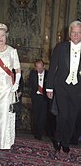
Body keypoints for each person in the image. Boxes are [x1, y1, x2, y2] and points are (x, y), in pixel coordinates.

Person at [46, 20, 81, 154]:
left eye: (79, 33)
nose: (76, 35)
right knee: (63, 115)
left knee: (72, 117)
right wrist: (49, 87)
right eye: (74, 33)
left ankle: (66, 142)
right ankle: (58, 139)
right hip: (61, 87)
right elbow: (53, 67)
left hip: (78, 90)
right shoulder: (60, 47)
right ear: (69, 33)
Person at [29, 59, 48, 140]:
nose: (39, 70)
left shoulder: (48, 74)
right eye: (37, 68)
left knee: (43, 116)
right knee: (36, 116)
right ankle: (36, 132)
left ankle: (40, 134)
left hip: (44, 98)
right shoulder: (32, 73)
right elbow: (30, 84)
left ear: (43, 66)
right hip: (35, 98)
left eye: (40, 68)